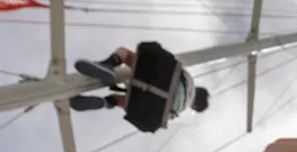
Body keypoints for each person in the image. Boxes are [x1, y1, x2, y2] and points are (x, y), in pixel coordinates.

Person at [70, 47, 210, 120]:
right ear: (194, 106)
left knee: (125, 53)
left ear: (198, 89)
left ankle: (108, 65)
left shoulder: (189, 80)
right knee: (125, 103)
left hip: (154, 80)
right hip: (152, 104)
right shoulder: (179, 109)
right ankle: (105, 102)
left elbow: (170, 67)